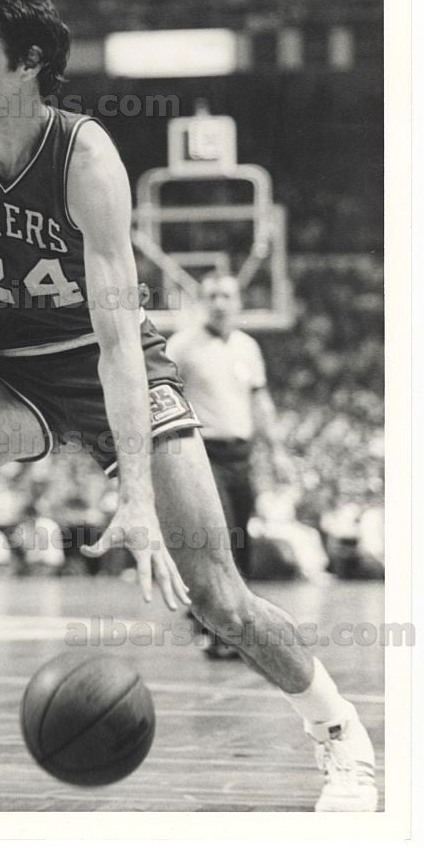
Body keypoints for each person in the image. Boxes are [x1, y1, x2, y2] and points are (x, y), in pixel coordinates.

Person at [0, 0, 377, 811]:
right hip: (11, 371)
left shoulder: (85, 157)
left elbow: (116, 342)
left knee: (216, 597)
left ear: (29, 63)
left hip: (109, 366)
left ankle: (340, 733)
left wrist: (134, 493)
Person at [166, 272, 277, 657]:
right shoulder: (182, 345)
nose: (219, 303)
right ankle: (220, 629)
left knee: (241, 535)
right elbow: (162, 394)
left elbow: (260, 401)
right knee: (221, 535)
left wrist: (276, 450)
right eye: (212, 296)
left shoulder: (247, 346)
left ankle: (226, 616)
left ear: (238, 302)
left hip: (241, 453)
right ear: (202, 302)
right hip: (202, 452)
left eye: (226, 296)